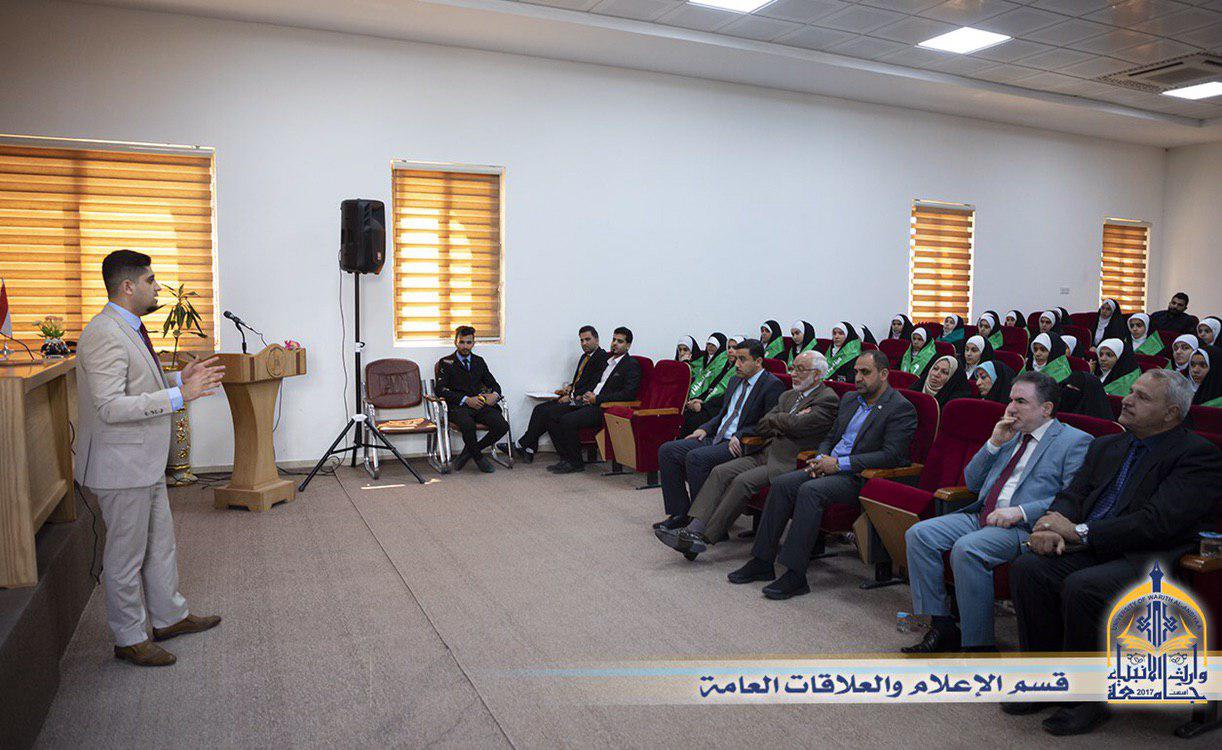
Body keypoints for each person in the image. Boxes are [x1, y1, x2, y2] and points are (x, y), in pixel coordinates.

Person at [1007, 369, 1221, 735]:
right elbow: (1073, 496)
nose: (1127, 399)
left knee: (1083, 586)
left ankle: (1087, 698)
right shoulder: (1108, 445)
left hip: (1150, 557)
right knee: (1030, 568)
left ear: (1171, 413)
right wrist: (1049, 526)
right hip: (1094, 544)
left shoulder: (1197, 456)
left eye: (1142, 396)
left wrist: (1079, 531)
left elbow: (1157, 522)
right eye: (1131, 391)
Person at [75, 250, 225, 667]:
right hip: (120, 466)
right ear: (127, 287)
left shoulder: (129, 327)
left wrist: (178, 379)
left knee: (160, 543)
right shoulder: (104, 334)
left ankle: (169, 616)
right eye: (150, 280)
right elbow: (110, 406)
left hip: (144, 460)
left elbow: (139, 383)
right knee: (125, 555)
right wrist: (179, 395)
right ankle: (129, 637)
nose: (157, 287)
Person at [902, 372, 1091, 653]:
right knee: (919, 534)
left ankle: (979, 645)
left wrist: (1021, 511)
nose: (1011, 408)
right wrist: (993, 443)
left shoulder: (1074, 441)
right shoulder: (1011, 433)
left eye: (1021, 401)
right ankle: (942, 625)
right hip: (982, 515)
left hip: (1023, 527)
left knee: (967, 549)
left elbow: (1072, 498)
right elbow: (972, 482)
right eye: (1010, 400)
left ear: (1046, 408)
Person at [727, 351, 917, 600]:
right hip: (828, 465)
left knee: (810, 491)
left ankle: (795, 574)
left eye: (865, 372)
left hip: (861, 476)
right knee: (782, 484)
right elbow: (830, 436)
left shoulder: (900, 408)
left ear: (883, 374)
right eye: (856, 372)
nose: (858, 378)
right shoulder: (850, 399)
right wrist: (821, 457)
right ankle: (762, 561)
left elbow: (891, 456)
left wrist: (838, 464)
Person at [656, 350, 839, 558]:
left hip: (789, 461)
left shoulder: (827, 398)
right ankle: (693, 527)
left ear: (817, 375)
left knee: (742, 481)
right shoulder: (789, 395)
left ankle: (704, 537)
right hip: (764, 452)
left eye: (800, 369)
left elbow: (797, 426)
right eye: (793, 368)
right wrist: (787, 419)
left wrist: (781, 420)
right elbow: (764, 423)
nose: (793, 374)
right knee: (720, 471)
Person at [653, 339, 785, 530]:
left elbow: (768, 423)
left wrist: (741, 434)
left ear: (758, 361)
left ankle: (703, 519)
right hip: (717, 436)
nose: (736, 364)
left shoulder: (772, 385)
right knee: (668, 451)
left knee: (696, 458)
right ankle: (680, 512)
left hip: (741, 443)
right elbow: (724, 414)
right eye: (736, 359)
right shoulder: (734, 380)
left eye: (742, 359)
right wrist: (705, 428)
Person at [546, 327, 640, 474]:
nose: (615, 343)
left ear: (628, 345)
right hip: (588, 401)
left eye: (620, 341)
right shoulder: (607, 361)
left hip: (603, 407)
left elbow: (628, 394)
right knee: (551, 414)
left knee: (567, 420)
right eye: (614, 340)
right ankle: (565, 458)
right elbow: (593, 382)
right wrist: (581, 394)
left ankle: (576, 463)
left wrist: (597, 398)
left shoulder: (631, 364)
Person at [512, 325, 607, 463]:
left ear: (597, 340)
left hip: (583, 401)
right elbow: (581, 381)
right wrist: (570, 387)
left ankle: (522, 445)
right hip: (573, 396)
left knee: (548, 413)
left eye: (587, 339)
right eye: (581, 340)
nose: (584, 343)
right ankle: (529, 448)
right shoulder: (584, 357)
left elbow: (594, 384)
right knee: (539, 409)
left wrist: (572, 396)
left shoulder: (602, 357)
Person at [436, 326, 509, 473]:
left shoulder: (478, 361)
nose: (465, 346)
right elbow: (440, 390)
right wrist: (466, 399)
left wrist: (495, 395)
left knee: (502, 425)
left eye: (468, 342)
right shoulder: (446, 362)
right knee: (468, 425)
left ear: (473, 343)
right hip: (459, 406)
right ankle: (479, 458)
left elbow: (493, 384)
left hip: (480, 405)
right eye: (462, 342)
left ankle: (468, 452)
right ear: (455, 342)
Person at [682, 333, 732, 436]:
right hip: (705, 400)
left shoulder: (723, 363)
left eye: (713, 345)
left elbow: (718, 389)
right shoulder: (704, 359)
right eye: (708, 344)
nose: (710, 347)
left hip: (716, 406)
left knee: (692, 420)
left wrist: (703, 404)